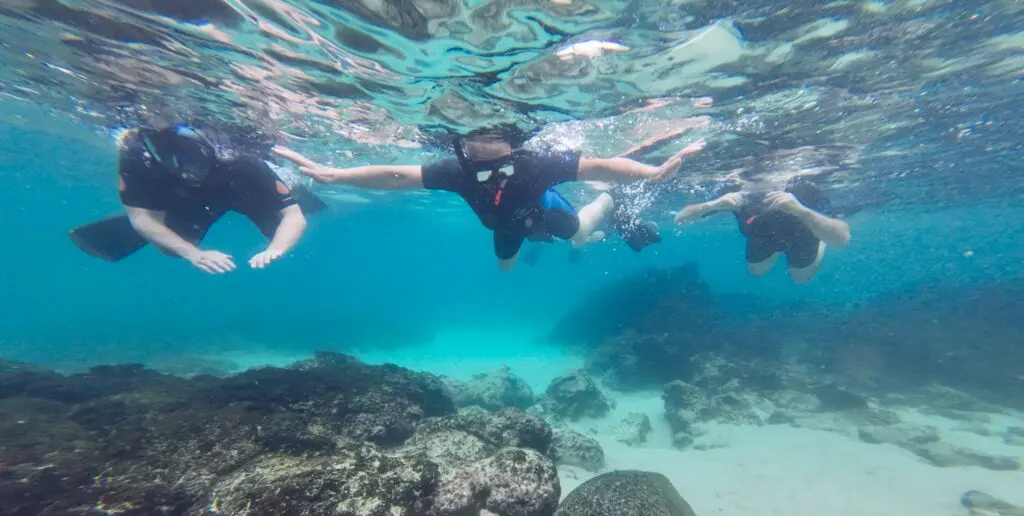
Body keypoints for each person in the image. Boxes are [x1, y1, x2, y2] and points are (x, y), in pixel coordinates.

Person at [274, 128, 705, 271]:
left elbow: (600, 166)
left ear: (516, 151)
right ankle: (566, 241)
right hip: (503, 226)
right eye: (483, 164)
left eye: (503, 162)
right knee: (505, 267)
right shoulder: (455, 171)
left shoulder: (537, 163)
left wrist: (655, 172)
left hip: (546, 214)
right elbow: (394, 175)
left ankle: (605, 205)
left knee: (576, 237)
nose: (495, 172)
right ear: (466, 155)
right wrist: (331, 174)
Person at [69, 123, 325, 273]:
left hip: (237, 184)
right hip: (179, 191)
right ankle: (170, 223)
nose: (191, 172)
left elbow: (292, 215)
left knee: (282, 233)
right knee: (170, 249)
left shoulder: (241, 161)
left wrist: (276, 248)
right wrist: (193, 253)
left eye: (195, 165)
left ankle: (288, 182)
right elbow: (140, 218)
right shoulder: (138, 156)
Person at [674, 179, 850, 283]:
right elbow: (680, 218)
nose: (762, 193)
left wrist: (799, 210)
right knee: (757, 272)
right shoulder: (736, 193)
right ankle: (777, 252)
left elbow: (842, 238)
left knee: (800, 278)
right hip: (761, 238)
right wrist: (714, 205)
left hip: (803, 238)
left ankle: (821, 238)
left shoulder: (804, 192)